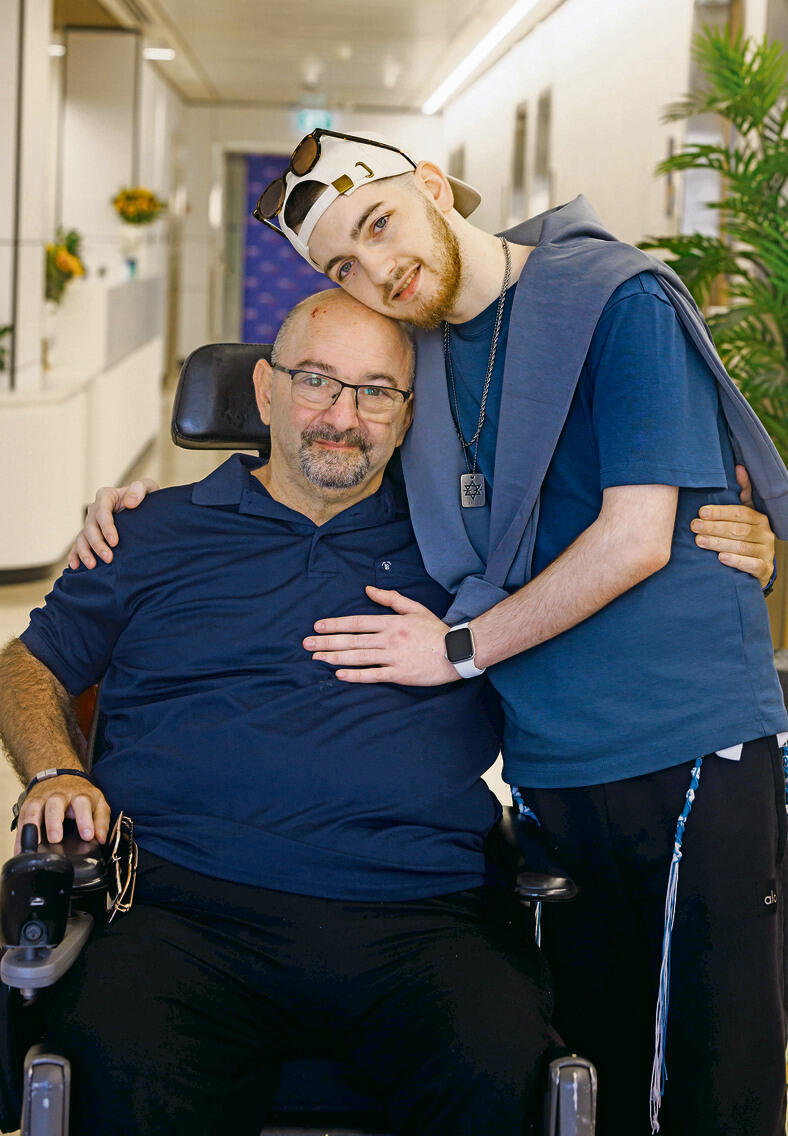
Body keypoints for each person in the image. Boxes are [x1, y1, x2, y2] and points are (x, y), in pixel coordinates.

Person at [71, 130, 787, 1136]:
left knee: (705, 1073)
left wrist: (457, 646)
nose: (377, 270)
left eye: (377, 225)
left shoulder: (613, 300)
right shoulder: (428, 368)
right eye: (341, 266)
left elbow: (635, 535)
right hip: (550, 757)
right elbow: (331, 462)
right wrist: (145, 510)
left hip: (671, 737)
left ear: (433, 187)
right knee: (605, 1056)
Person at [0, 290, 556, 1136]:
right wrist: (54, 769)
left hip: (424, 915)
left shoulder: (464, 553)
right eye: (317, 382)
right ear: (264, 391)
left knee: (502, 1063)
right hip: (180, 913)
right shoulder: (150, 534)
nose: (344, 416)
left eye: (377, 392)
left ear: (407, 419)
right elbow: (28, 662)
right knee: (127, 1071)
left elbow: (610, 568)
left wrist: (733, 523)